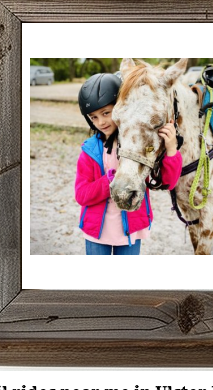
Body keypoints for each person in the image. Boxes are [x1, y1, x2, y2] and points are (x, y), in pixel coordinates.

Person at [75, 73, 182, 255]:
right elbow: (81, 195)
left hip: (130, 232)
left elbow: (168, 182)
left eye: (106, 113)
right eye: (93, 117)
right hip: (96, 233)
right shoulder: (89, 151)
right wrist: (109, 181)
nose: (101, 122)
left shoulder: (139, 145)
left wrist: (172, 150)